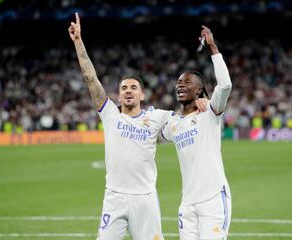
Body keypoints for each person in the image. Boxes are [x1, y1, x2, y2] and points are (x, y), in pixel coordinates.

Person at [68, 13, 207, 240]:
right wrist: (78, 42)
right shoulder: (110, 115)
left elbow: (186, 118)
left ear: (142, 94)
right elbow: (90, 79)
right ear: (119, 95)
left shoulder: (158, 117)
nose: (128, 90)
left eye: (133, 87)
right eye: (124, 88)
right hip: (114, 197)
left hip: (145, 199)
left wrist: (204, 102)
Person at [161, 26, 232, 239]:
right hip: (187, 203)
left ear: (199, 90)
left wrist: (212, 48)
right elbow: (149, 135)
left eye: (187, 82)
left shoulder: (209, 112)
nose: (180, 85)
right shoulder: (173, 124)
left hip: (213, 200)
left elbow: (226, 85)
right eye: (179, 82)